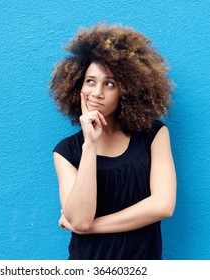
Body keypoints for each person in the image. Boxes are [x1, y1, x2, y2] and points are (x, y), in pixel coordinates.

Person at [49, 22, 176, 260]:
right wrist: (90, 145)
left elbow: (163, 205)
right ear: (78, 87)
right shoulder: (66, 151)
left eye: (109, 84)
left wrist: (92, 227)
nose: (97, 92)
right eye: (90, 81)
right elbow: (80, 219)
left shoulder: (153, 135)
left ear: (126, 91)